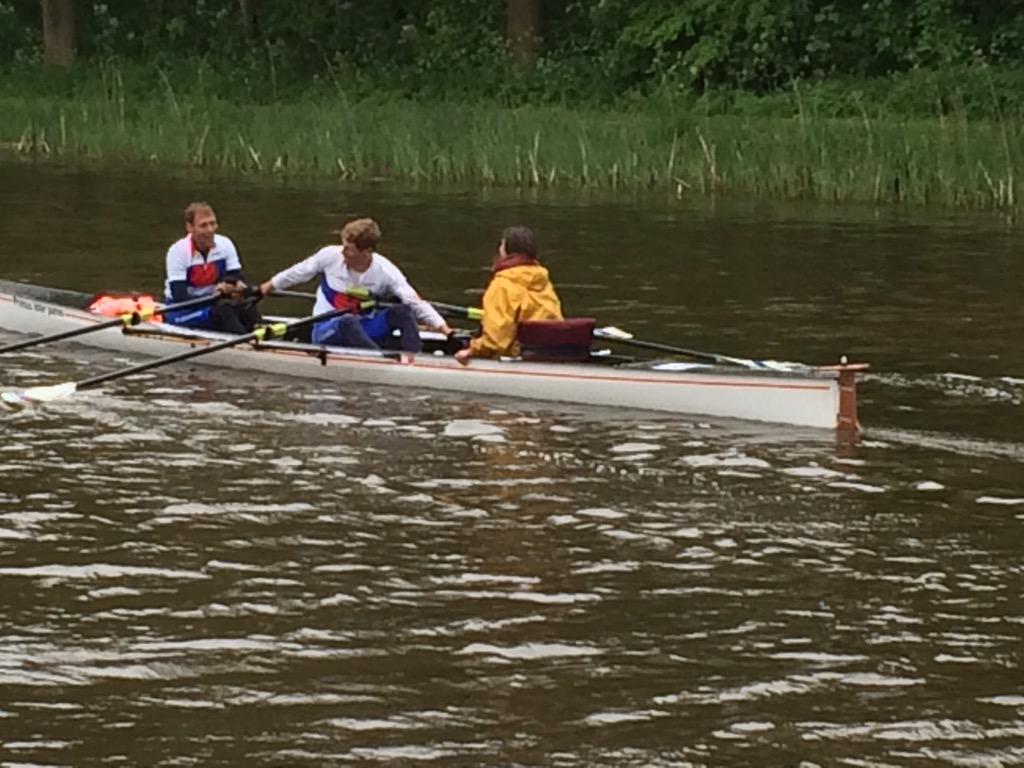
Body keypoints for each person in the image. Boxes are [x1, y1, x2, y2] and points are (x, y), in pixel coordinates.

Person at [259, 217, 452, 352]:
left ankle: (415, 360)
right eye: (343, 246)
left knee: (403, 312)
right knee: (347, 321)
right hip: (327, 330)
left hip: (365, 328)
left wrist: (446, 331)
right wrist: (264, 289)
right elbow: (296, 273)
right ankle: (380, 362)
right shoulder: (329, 256)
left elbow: (416, 303)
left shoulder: (386, 272)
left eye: (349, 249)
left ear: (367, 251)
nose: (342, 252)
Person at [455, 225, 563, 365]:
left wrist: (472, 350)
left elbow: (497, 339)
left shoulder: (502, 284)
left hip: (516, 355)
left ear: (506, 251)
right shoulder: (543, 281)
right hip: (550, 352)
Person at [164, 202, 261, 333]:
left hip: (215, 302)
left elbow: (236, 275)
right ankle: (246, 341)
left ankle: (265, 334)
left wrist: (233, 285)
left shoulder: (225, 244)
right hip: (182, 310)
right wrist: (217, 298)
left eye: (213, 223)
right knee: (224, 310)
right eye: (203, 225)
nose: (210, 230)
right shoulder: (178, 251)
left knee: (247, 306)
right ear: (190, 227)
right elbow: (180, 296)